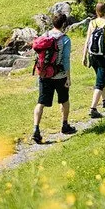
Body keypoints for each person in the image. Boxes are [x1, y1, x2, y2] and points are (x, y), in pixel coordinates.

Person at [32, 13, 75, 143]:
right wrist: (68, 77)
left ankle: (36, 129)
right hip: (59, 75)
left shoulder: (45, 36)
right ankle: (65, 125)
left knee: (41, 103)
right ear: (63, 25)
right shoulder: (65, 39)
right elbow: (66, 60)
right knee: (64, 100)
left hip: (44, 75)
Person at [82, 2, 105, 119]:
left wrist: (84, 56)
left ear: (96, 12)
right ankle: (93, 108)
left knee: (100, 77)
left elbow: (87, 40)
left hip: (93, 56)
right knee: (99, 83)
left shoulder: (92, 23)